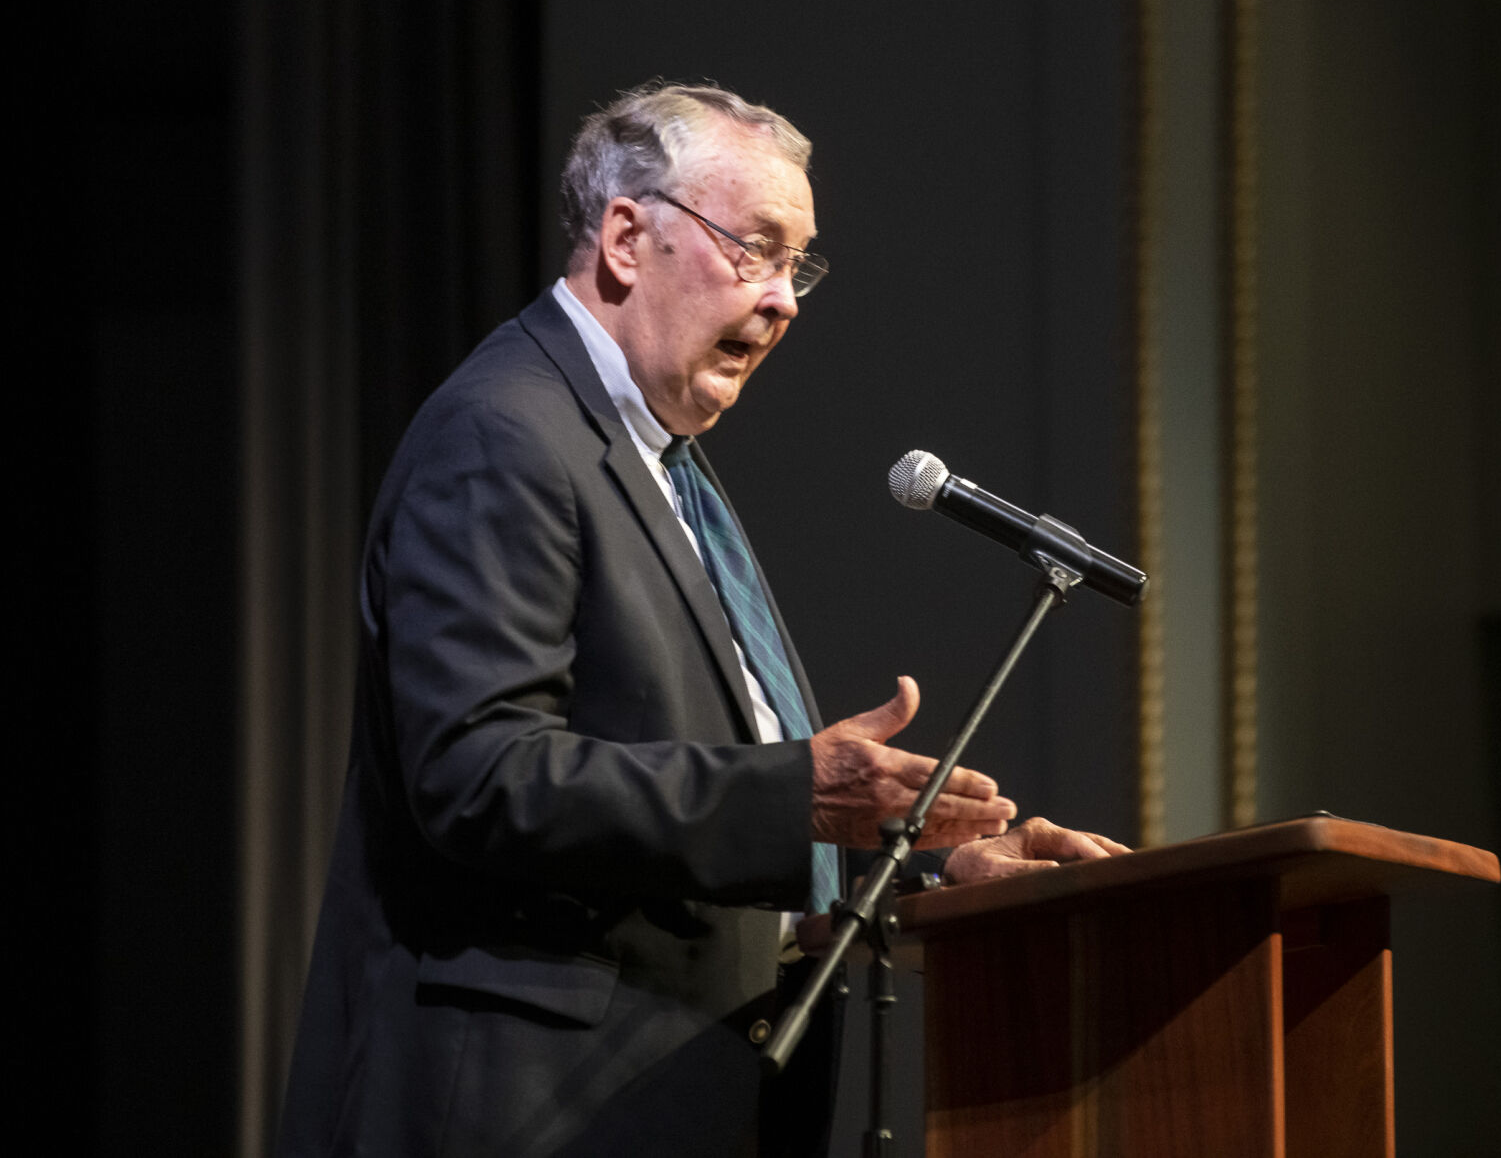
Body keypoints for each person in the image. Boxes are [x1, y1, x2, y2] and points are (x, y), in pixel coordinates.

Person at [276, 81, 1129, 1157]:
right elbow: (479, 774)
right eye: (756, 249)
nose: (785, 299)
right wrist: (803, 792)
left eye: (798, 264)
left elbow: (707, 824)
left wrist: (924, 870)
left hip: (677, 1098)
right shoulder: (505, 434)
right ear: (627, 236)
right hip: (533, 1110)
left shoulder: (660, 461)